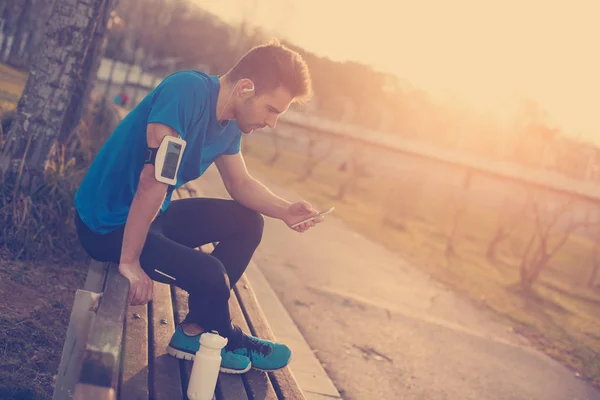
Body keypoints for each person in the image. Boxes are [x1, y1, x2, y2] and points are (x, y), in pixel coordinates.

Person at [73, 40, 324, 375]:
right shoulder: (186, 91)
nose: (272, 122)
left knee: (249, 223)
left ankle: (195, 332)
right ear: (246, 88)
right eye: (271, 110)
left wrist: (284, 210)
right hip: (107, 227)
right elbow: (153, 180)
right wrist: (130, 261)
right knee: (211, 275)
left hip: (150, 216)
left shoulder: (231, 123)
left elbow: (240, 184)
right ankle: (227, 337)